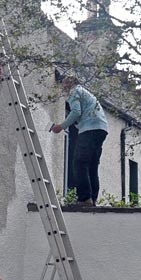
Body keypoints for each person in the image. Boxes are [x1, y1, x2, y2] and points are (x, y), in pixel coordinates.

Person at [51, 76, 109, 205]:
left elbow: (76, 112)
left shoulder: (74, 91)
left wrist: (61, 126)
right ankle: (92, 199)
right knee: (92, 166)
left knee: (79, 163)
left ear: (69, 83)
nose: (63, 87)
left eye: (64, 84)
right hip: (101, 129)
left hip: (89, 129)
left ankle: (84, 198)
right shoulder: (86, 93)